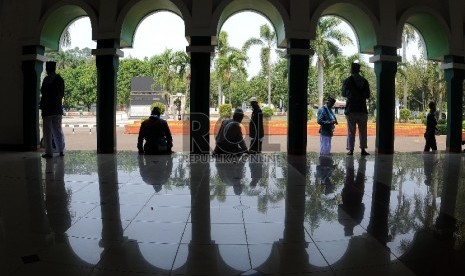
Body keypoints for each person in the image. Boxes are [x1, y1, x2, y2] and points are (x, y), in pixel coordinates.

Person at [342, 62, 370, 156]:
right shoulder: (364, 81)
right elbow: (368, 95)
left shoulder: (347, 80)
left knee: (351, 131)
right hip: (362, 109)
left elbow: (344, 94)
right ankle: (363, 150)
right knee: (363, 131)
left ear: (351, 70)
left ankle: (351, 150)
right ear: (359, 70)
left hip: (351, 109)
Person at [40, 61, 65, 158]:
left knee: (47, 131)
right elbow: (62, 93)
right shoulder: (60, 79)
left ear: (47, 69)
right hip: (57, 108)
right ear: (54, 68)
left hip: (47, 109)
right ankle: (61, 151)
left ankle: (49, 153)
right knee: (58, 130)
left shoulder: (46, 80)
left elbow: (43, 93)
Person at [338, 156, 366, 236]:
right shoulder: (341, 221)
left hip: (358, 196)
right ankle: (349, 160)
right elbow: (340, 206)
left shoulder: (357, 221)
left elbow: (362, 206)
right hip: (347, 194)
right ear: (344, 229)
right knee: (349, 175)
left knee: (361, 175)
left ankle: (362, 161)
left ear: (352, 230)